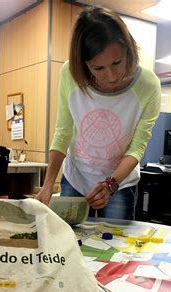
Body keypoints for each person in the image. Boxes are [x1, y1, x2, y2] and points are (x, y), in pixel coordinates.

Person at [36, 6, 161, 220]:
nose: (111, 76)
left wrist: (111, 184)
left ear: (129, 50)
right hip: (75, 178)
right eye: (98, 68)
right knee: (70, 241)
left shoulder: (148, 85)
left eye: (116, 63)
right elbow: (63, 132)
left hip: (119, 184)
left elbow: (137, 147)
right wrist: (48, 184)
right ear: (84, 66)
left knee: (116, 248)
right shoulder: (70, 75)